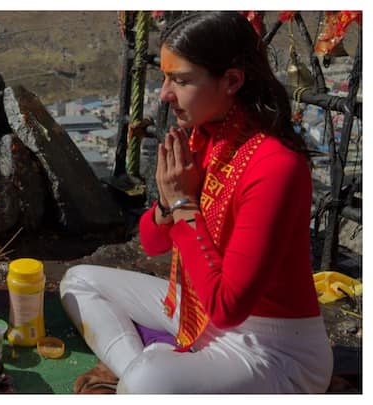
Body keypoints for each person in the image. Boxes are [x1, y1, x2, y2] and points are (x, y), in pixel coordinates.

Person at [59, 11, 333, 394]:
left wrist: (184, 204)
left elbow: (229, 307)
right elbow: (154, 242)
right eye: (166, 77)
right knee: (80, 282)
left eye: (181, 80)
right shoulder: (202, 137)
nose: (164, 94)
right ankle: (140, 369)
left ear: (232, 81)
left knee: (148, 384)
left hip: (271, 346)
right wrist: (169, 205)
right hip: (198, 308)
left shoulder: (276, 167)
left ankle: (147, 374)